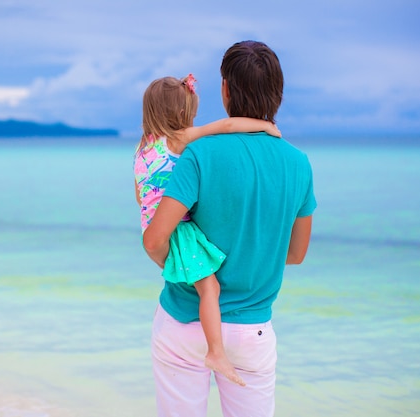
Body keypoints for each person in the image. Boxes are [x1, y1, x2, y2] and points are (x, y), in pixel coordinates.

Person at [143, 41, 317, 417]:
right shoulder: (298, 164)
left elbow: (155, 239)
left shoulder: (200, 154)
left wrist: (178, 267)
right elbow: (296, 254)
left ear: (224, 90)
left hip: (184, 319)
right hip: (252, 330)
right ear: (279, 94)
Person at [134, 74, 281, 388]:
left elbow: (141, 195)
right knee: (210, 288)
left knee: (199, 281)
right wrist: (264, 126)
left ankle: (215, 350)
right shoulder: (179, 138)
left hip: (153, 222)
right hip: (177, 229)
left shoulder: (144, 148)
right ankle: (215, 351)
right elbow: (225, 127)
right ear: (183, 114)